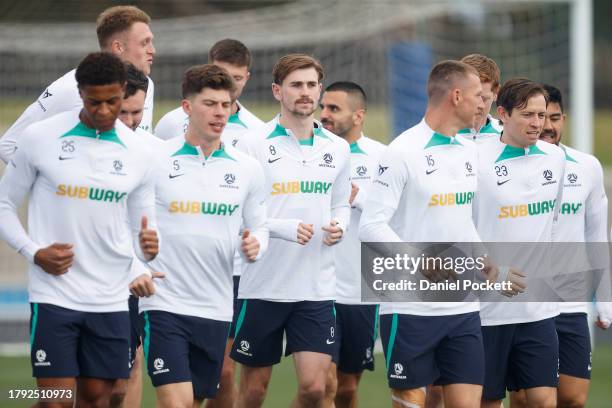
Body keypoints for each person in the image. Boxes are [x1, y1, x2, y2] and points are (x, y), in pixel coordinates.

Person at [0, 52, 161, 408]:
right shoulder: (40, 138)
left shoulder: (142, 153)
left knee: (101, 397)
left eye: (113, 101)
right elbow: (4, 206)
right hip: (55, 294)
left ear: (124, 92)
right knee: (56, 399)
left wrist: (146, 256)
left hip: (111, 297)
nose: (104, 111)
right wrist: (34, 252)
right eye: (94, 101)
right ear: (80, 93)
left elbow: (142, 231)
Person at [139, 64, 268, 408]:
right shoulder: (155, 159)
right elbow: (126, 220)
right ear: (187, 108)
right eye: (210, 104)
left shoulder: (247, 169)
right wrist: (136, 260)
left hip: (216, 307)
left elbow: (260, 226)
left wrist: (257, 244)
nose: (219, 113)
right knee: (175, 403)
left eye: (225, 105)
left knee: (194, 402)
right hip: (163, 302)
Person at [359, 60, 486, 408]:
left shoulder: (469, 151)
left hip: (461, 309)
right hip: (410, 309)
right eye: (477, 95)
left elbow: (461, 219)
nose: (482, 103)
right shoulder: (402, 152)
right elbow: (370, 226)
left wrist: (483, 258)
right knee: (412, 403)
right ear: (456, 96)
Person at [229, 54, 351, 408]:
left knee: (315, 388)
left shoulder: (338, 148)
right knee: (253, 391)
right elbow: (236, 213)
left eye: (312, 85)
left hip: (315, 288)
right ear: (277, 91)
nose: (305, 92)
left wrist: (340, 225)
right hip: (263, 285)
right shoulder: (252, 144)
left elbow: (341, 203)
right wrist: (282, 228)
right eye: (296, 85)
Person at [509, 84, 612, 408]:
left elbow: (597, 235)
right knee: (526, 398)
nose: (547, 125)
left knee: (573, 398)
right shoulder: (508, 166)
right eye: (539, 116)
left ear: (563, 119)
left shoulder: (587, 167)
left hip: (570, 303)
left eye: (554, 117)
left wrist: (605, 299)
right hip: (522, 300)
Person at [473, 78, 566, 408]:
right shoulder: (477, 161)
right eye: (528, 115)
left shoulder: (555, 159)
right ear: (503, 114)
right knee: (488, 402)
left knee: (543, 401)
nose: (537, 123)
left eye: (541, 115)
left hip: (538, 308)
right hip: (487, 310)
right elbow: (460, 231)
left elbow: (551, 223)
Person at [0, 5, 156, 163]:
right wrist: (53, 182)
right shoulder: (70, 86)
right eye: (145, 43)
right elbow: (9, 145)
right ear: (118, 47)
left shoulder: (146, 85)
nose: (152, 50)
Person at [319, 81, 385, 408]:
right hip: (319, 286)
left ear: (358, 115)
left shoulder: (383, 158)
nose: (324, 115)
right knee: (322, 385)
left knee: (346, 389)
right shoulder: (314, 152)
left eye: (334, 109)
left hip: (361, 289)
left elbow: (398, 216)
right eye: (323, 108)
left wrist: (360, 199)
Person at [111, 62, 163, 408]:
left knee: (122, 380)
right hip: (79, 280)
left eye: (138, 113)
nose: (132, 121)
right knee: (60, 391)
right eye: (124, 112)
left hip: (132, 280)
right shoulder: (70, 145)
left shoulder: (152, 151)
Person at [155, 38, 263, 143]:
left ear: (246, 78)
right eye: (222, 75)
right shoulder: (171, 123)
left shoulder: (258, 130)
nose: (229, 84)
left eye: (237, 78)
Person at [456, 54, 502, 144]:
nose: (478, 105)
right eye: (471, 97)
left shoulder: (507, 137)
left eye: (484, 99)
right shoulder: (436, 135)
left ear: (496, 93)